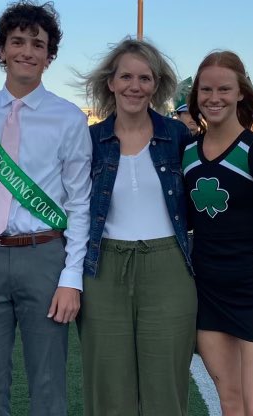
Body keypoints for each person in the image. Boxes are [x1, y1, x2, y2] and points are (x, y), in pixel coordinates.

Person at [0, 0, 92, 416]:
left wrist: (71, 278)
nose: (27, 51)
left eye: (37, 44)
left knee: (48, 383)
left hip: (44, 256)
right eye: (17, 41)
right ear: (1, 50)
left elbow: (80, 202)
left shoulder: (69, 118)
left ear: (50, 56)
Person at [78, 37, 195, 416]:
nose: (135, 86)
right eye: (126, 76)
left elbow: (211, 187)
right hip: (102, 268)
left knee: (166, 386)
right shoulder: (90, 140)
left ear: (156, 85)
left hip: (169, 267)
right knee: (108, 384)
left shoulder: (178, 137)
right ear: (110, 82)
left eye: (145, 78)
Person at [182, 51, 253, 416]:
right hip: (208, 292)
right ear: (196, 94)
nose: (215, 98)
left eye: (225, 89)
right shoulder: (186, 153)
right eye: (206, 89)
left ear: (241, 92)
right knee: (231, 402)